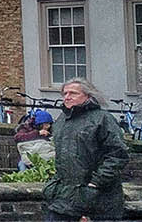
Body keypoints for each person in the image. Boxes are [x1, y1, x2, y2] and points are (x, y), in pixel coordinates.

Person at [43, 77, 128, 222]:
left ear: (88, 96)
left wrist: (95, 183)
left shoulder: (102, 119)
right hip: (64, 198)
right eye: (65, 94)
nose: (67, 97)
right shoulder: (62, 120)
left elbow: (118, 154)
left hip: (98, 199)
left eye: (73, 93)